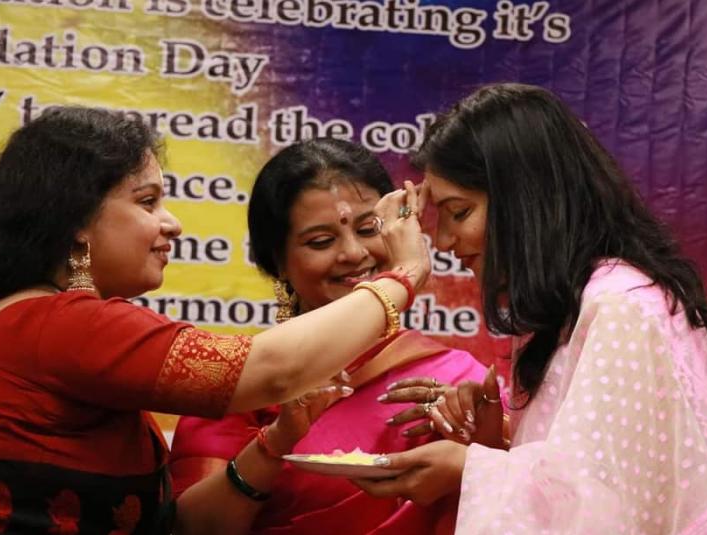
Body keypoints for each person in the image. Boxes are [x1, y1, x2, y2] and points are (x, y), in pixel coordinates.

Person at [0, 107, 430, 534]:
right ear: (77, 223)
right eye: (147, 202)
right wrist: (404, 276)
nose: (173, 224)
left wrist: (275, 442)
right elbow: (271, 370)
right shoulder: (58, 324)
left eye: (367, 230)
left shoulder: (39, 319)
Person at [354, 84, 707, 534]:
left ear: (525, 200)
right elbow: (594, 473)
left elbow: (603, 509)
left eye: (458, 211)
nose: (448, 242)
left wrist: (467, 469)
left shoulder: (617, 307)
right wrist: (495, 441)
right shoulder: (576, 304)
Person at [169, 137, 487, 534]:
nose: (353, 253)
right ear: (278, 262)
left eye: (369, 228)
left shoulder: (458, 380)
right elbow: (190, 526)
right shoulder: (244, 383)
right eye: (321, 241)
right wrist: (274, 443)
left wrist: (481, 433)